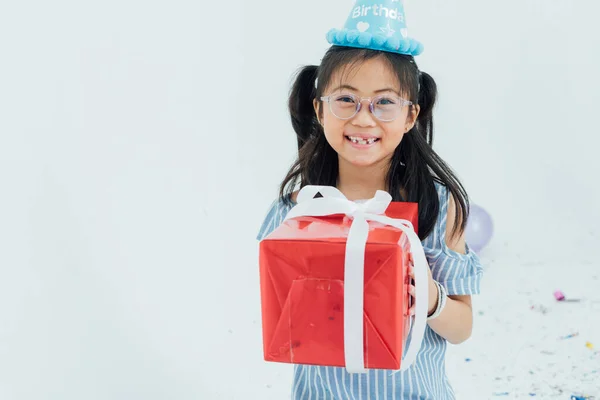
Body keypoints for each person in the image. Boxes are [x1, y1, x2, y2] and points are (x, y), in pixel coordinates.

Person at [257, 0, 483, 398]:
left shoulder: (439, 207)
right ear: (319, 110)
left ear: (411, 115)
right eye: (345, 99)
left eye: (384, 102)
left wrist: (430, 298)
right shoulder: (298, 208)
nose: (363, 118)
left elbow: (462, 328)